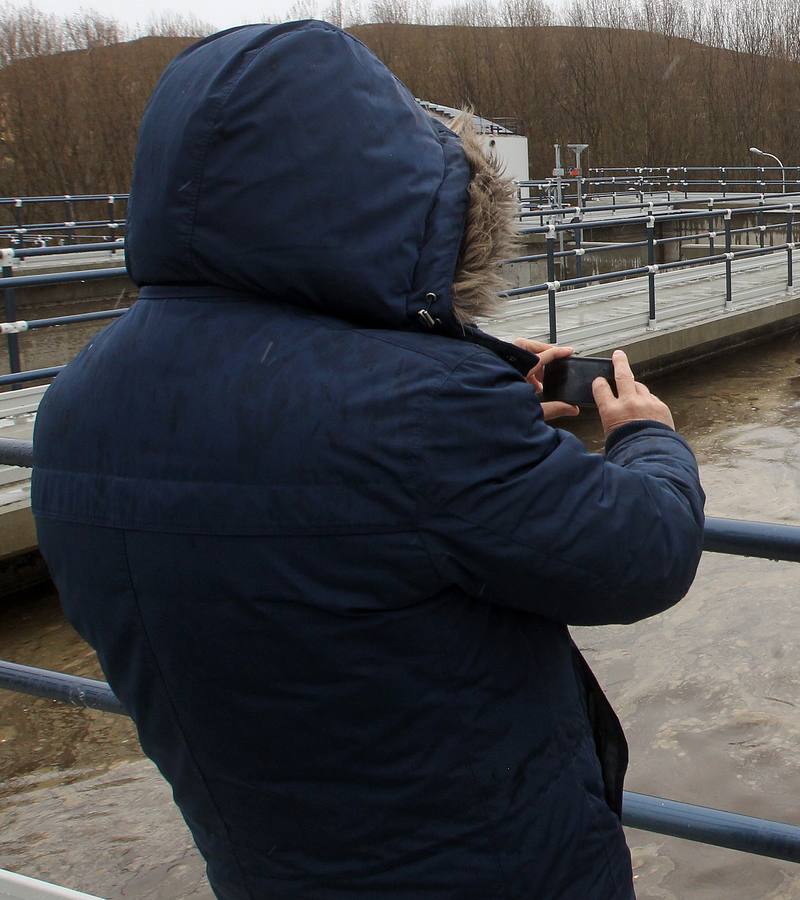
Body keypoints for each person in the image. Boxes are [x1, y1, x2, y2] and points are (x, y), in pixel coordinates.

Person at [30, 20, 705, 900]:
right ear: (397, 207)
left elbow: (313, 469)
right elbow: (642, 555)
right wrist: (645, 435)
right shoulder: (417, 417)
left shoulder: (76, 401)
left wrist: (474, 382)